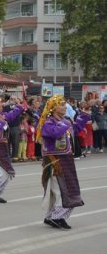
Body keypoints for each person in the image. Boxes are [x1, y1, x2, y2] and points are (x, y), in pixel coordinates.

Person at [37, 95, 90, 230]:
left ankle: (51, 217)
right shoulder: (48, 122)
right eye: (61, 104)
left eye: (64, 104)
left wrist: (84, 115)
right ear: (53, 107)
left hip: (67, 160)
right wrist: (66, 123)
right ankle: (57, 218)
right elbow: (54, 133)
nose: (64, 106)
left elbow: (75, 129)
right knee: (61, 191)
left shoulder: (64, 120)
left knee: (62, 190)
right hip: (55, 163)